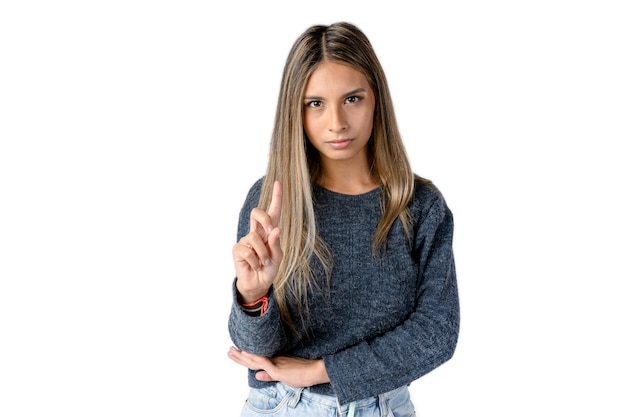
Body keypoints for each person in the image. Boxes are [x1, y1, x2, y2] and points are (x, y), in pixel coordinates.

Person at [227, 21, 459, 417]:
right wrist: (253, 297)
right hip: (284, 405)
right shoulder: (271, 201)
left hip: (383, 407)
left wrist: (322, 370)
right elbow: (257, 354)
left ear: (376, 101)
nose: (336, 122)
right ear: (296, 112)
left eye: (352, 99)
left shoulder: (418, 206)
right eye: (315, 103)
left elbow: (437, 333)